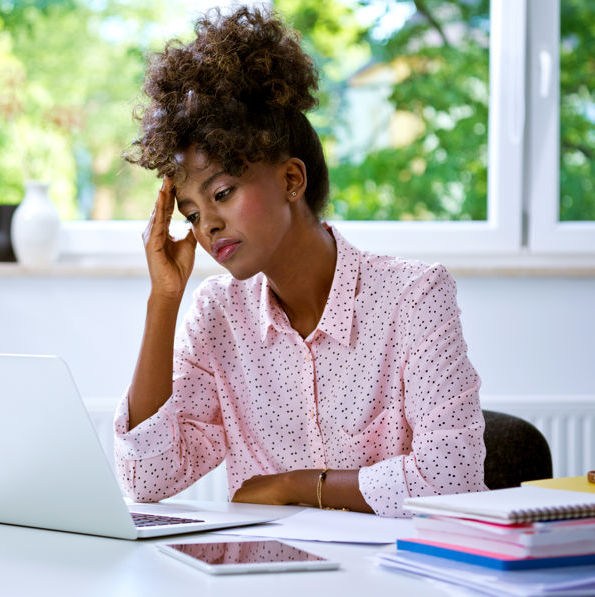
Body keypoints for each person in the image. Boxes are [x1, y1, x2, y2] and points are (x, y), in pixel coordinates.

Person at [114, 6, 487, 517]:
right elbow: (146, 479)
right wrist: (164, 300)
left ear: (292, 180)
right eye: (192, 213)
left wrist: (296, 485)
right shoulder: (219, 315)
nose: (208, 227)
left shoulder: (414, 297)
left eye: (222, 192)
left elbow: (453, 477)